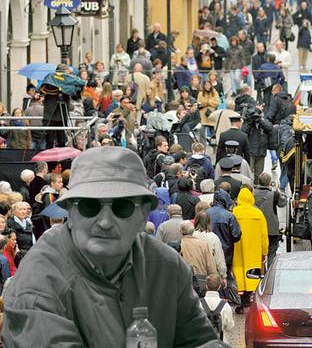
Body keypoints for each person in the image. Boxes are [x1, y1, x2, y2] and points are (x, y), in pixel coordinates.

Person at [4, 147, 219, 346]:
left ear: (143, 214)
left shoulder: (166, 265)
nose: (105, 221)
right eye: (90, 206)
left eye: (122, 206)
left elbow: (198, 340)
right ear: (71, 211)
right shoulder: (40, 278)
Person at [232, 187, 268, 313]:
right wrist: (264, 252)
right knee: (252, 274)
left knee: (239, 272)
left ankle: (241, 300)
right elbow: (264, 235)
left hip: (238, 249)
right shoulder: (258, 214)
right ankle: (251, 299)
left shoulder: (234, 212)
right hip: (254, 251)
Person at [253, 173, 287, 268]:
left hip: (256, 229)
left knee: (258, 252)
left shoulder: (252, 193)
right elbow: (283, 202)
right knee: (272, 251)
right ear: (269, 182)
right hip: (271, 229)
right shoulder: (274, 194)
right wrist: (278, 190)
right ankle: (270, 271)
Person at [180, 221, 217, 291]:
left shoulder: (179, 245)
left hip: (184, 281)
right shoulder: (203, 244)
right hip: (201, 281)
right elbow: (211, 266)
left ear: (181, 231)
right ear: (193, 230)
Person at [200, 274, 235, 344]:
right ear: (219, 287)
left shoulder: (198, 304)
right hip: (220, 342)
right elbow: (229, 327)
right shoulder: (225, 305)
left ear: (206, 286)